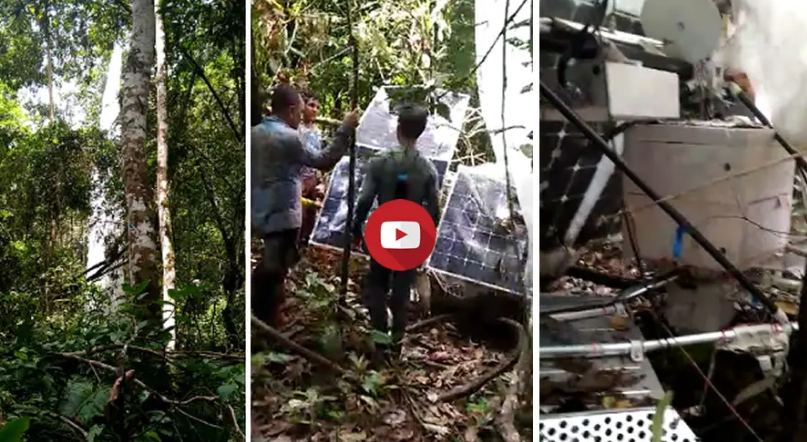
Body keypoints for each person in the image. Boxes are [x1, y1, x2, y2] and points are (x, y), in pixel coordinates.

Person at [251, 84, 360, 327]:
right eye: (300, 112)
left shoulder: (254, 133)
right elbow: (323, 160)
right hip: (283, 214)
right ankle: (267, 317)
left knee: (273, 261)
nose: (301, 117)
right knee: (277, 266)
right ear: (290, 110)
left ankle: (263, 312)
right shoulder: (289, 137)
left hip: (259, 210)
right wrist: (345, 128)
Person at [351, 104, 440, 361]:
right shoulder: (428, 169)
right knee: (401, 292)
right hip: (410, 233)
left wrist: (357, 228)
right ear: (421, 132)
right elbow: (433, 212)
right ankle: (396, 348)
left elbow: (364, 200)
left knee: (377, 286)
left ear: (398, 127)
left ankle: (380, 343)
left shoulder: (380, 162)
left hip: (383, 228)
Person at [298, 91, 324, 246]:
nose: (314, 110)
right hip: (298, 178)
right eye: (311, 105)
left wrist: (320, 181)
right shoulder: (296, 129)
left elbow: (319, 156)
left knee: (311, 218)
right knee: (298, 217)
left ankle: (303, 248)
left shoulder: (317, 132)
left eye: (317, 107)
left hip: (312, 178)